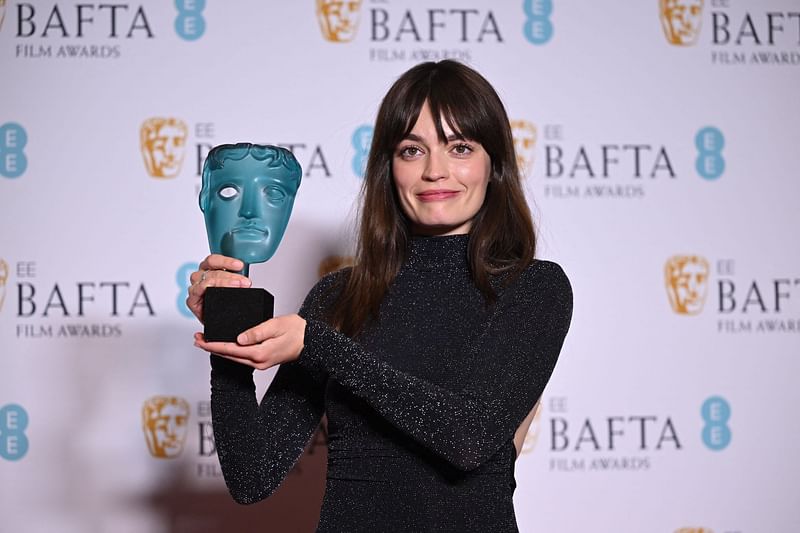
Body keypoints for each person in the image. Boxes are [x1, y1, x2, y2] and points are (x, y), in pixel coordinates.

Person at [187, 60, 572, 532]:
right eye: (412, 150)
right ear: (388, 168)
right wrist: (228, 334)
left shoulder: (534, 288)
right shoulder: (337, 298)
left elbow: (469, 436)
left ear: (494, 165)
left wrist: (320, 345)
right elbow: (253, 476)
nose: (435, 171)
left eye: (460, 147)